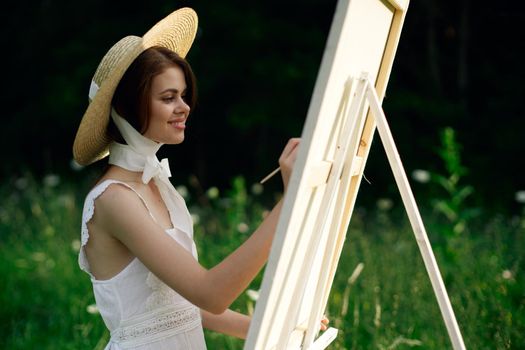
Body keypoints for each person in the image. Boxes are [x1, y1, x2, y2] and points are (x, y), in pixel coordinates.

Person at [73, 8, 325, 349]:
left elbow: (186, 305)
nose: (185, 106)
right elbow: (211, 293)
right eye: (168, 97)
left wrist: (275, 329)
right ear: (127, 108)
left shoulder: (156, 183)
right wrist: (290, 201)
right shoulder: (113, 199)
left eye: (183, 95)